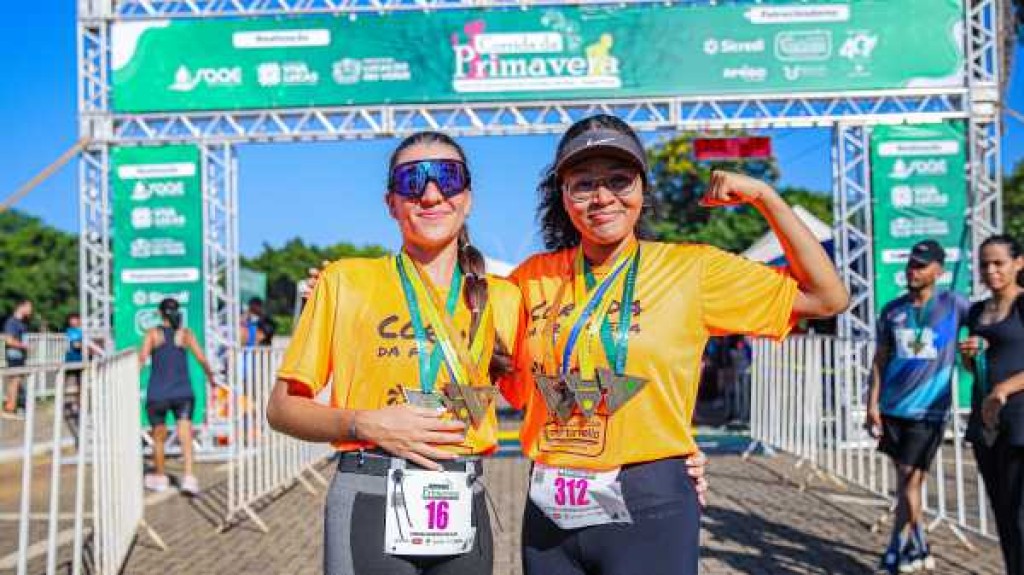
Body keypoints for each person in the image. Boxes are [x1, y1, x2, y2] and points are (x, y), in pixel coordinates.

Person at [505, 114, 847, 575]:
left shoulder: (692, 271)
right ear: (562, 196)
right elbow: (468, 353)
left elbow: (826, 298)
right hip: (550, 503)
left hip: (649, 496)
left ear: (643, 190)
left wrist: (765, 198)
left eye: (619, 180)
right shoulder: (530, 278)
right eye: (583, 184)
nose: (602, 197)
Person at [865, 239, 969, 573]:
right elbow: (880, 360)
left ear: (938, 271)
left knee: (908, 480)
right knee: (908, 483)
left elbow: (989, 326)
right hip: (893, 409)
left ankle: (895, 549)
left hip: (929, 412)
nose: (913, 270)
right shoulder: (892, 310)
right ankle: (919, 545)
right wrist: (871, 403)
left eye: (921, 266)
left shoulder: (954, 305)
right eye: (911, 264)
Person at [960, 234, 1024, 575]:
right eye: (984, 264)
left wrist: (1004, 389)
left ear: (1019, 263)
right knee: (1003, 513)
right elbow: (975, 369)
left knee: (1021, 515)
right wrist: (969, 357)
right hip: (987, 423)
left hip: (1020, 420)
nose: (991, 270)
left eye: (999, 263)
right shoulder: (975, 311)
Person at [139, 297, 214, 495]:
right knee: (186, 436)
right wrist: (211, 377)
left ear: (160, 313)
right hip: (183, 393)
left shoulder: (153, 334)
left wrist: (130, 381)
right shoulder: (185, 334)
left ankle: (160, 477)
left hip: (158, 393)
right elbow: (202, 359)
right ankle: (189, 477)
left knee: (159, 437)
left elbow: (141, 360)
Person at [3, 299, 33, 416]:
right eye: (29, 307)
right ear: (21, 307)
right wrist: (25, 346)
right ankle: (10, 409)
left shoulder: (23, 322)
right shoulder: (12, 322)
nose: (31, 310)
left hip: (20, 355)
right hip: (14, 355)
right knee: (14, 381)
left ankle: (13, 406)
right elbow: (9, 341)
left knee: (17, 381)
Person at [64, 313, 85, 440]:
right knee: (66, 381)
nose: (73, 321)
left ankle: (79, 404)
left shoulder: (83, 330)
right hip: (70, 360)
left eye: (75, 319)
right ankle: (63, 401)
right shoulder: (69, 332)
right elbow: (75, 344)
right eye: (71, 319)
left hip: (80, 360)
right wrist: (83, 344)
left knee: (80, 383)